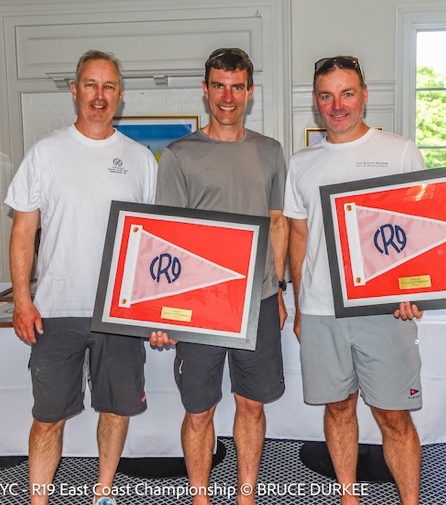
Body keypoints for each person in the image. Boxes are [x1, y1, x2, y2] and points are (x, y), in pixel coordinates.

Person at [5, 49, 158, 505]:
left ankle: (104, 493)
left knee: (114, 411)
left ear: (120, 95)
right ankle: (39, 499)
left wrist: (153, 308)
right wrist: (21, 300)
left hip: (119, 311)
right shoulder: (45, 154)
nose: (99, 95)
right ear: (75, 91)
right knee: (48, 417)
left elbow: (152, 244)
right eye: (90, 85)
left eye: (109, 86)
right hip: (55, 311)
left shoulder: (140, 160)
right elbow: (22, 232)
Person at [149, 47, 289, 505]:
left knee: (251, 404)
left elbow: (278, 222)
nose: (227, 97)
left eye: (237, 87)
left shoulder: (270, 152)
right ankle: (200, 497)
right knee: (199, 409)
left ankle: (246, 496)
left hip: (259, 302)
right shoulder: (178, 155)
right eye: (218, 86)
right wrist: (162, 311)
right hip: (200, 307)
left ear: (249, 92)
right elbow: (166, 238)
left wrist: (280, 288)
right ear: (205, 89)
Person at [283, 55, 424, 505]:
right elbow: (299, 237)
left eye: (347, 94)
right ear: (315, 102)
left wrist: (416, 289)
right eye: (327, 95)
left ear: (365, 96)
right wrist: (304, 307)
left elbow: (423, 224)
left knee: (393, 415)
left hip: (383, 309)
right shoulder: (301, 163)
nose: (337, 105)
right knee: (338, 407)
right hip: (323, 310)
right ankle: (348, 497)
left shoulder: (399, 151)